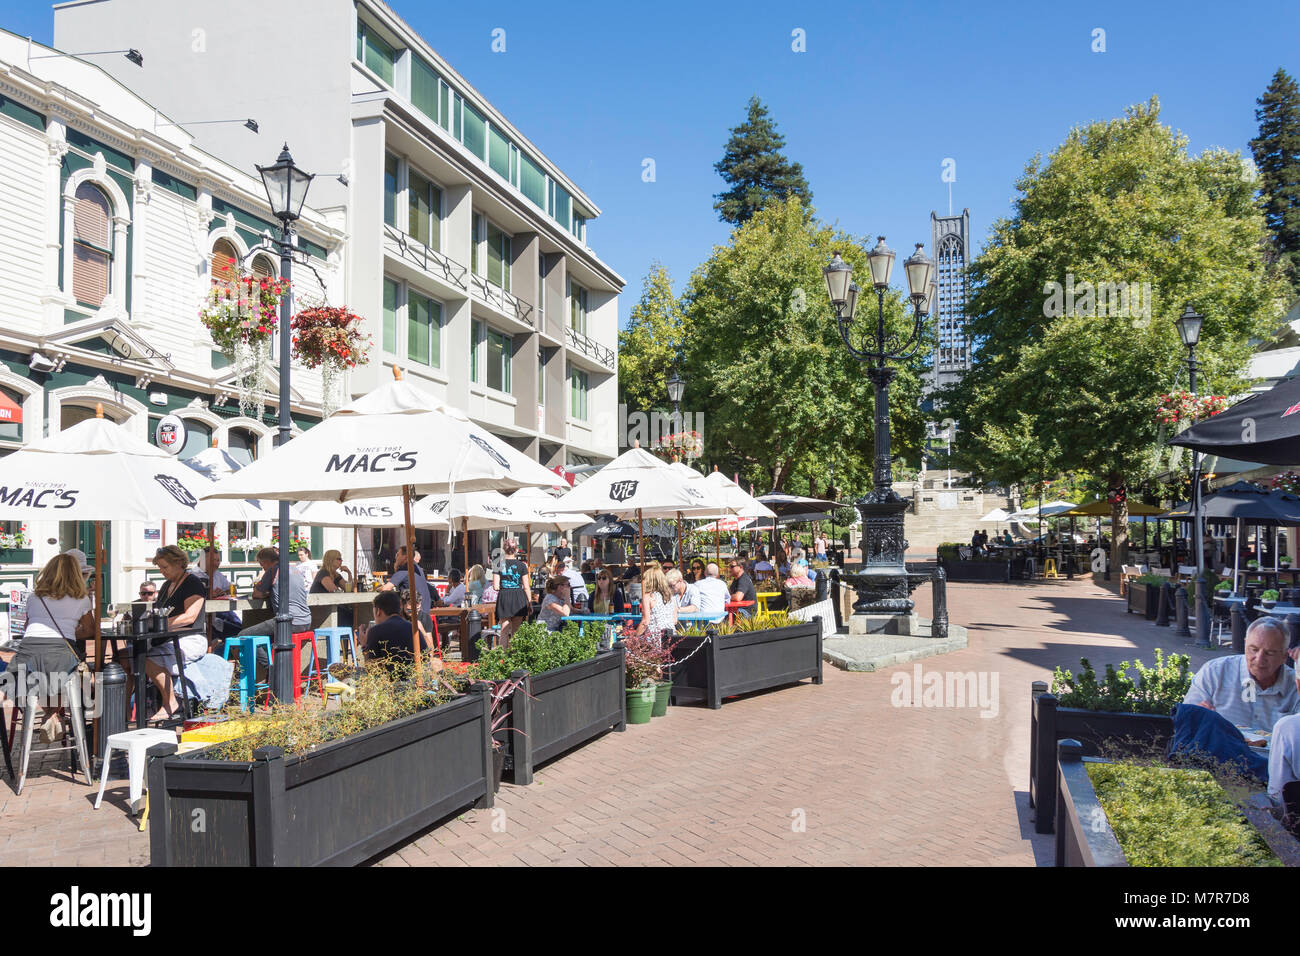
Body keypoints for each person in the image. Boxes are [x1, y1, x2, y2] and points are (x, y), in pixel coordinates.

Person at [5, 553, 94, 714]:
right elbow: (89, 630)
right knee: (63, 676)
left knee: (22, 677)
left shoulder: (34, 597)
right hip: (60, 654)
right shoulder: (82, 599)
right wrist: (70, 632)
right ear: (75, 573)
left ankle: (47, 715)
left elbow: (28, 626)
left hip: (28, 652)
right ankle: (53, 715)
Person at [1184, 617, 1299, 729]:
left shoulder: (1295, 686)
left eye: (1269, 653)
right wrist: (1197, 716)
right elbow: (1186, 720)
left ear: (1284, 656)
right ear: (1245, 645)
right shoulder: (1215, 672)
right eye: (1253, 649)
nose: (1259, 659)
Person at [145, 545, 211, 720]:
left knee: (147, 659)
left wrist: (161, 623)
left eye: (164, 567)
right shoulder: (167, 585)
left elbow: (190, 617)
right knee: (128, 655)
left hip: (191, 638)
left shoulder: (192, 583)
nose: (161, 571)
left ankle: (170, 702)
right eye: (159, 567)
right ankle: (128, 712)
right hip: (169, 638)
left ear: (179, 563)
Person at [364, 589, 431, 665]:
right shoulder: (412, 628)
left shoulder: (375, 631)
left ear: (378, 611)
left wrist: (364, 645)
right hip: (415, 675)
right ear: (400, 608)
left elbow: (370, 667)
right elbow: (426, 658)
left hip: (391, 676)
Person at [494, 540, 531, 645]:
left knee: (504, 631)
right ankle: (515, 657)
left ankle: (503, 657)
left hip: (504, 596)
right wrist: (529, 602)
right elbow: (526, 587)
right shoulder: (522, 565)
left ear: (503, 549)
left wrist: (505, 584)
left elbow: (495, 586)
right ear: (516, 550)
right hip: (518, 597)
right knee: (516, 630)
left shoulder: (498, 564)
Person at [384, 546, 433, 622]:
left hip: (413, 613)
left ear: (405, 557)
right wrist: (396, 567)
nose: (396, 557)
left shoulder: (405, 568)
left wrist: (378, 588)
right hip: (425, 613)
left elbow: (386, 588)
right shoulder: (417, 568)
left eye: (398, 555)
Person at [635, 564, 677, 644]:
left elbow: (645, 622)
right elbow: (674, 620)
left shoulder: (648, 597)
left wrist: (634, 638)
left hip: (654, 638)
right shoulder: (671, 596)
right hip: (671, 637)